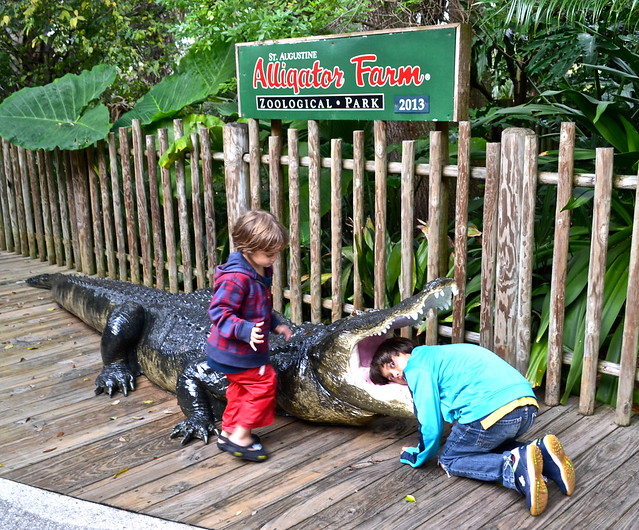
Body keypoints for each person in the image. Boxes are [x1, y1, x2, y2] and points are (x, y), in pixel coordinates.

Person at [369, 337, 576, 516]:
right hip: (526, 407)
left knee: (450, 459)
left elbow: (429, 422)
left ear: (406, 351)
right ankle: (543, 453)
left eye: (392, 364)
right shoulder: (445, 354)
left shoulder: (417, 367)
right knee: (481, 443)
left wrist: (417, 455)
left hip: (490, 412)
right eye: (389, 377)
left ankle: (512, 466)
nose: (395, 375)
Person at [206, 209, 292, 462]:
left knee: (239, 388)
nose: (274, 259)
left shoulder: (259, 271)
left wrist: (275, 323)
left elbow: (258, 307)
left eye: (277, 252)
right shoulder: (236, 278)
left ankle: (228, 431)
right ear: (248, 248)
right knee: (264, 383)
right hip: (234, 351)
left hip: (240, 350)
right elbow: (219, 311)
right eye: (269, 254)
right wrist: (243, 329)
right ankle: (241, 437)